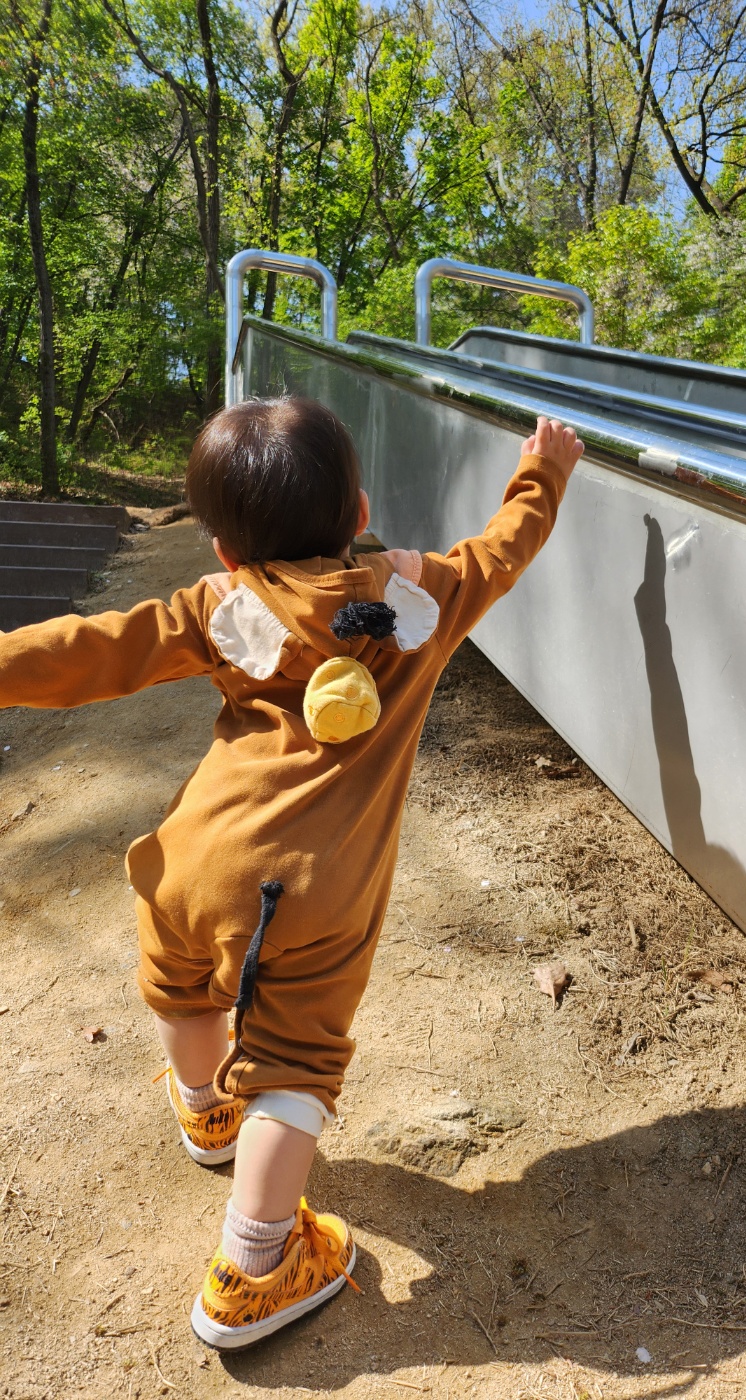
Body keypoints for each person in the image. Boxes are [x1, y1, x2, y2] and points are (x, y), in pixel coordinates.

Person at [0, 398, 583, 1350]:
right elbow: (505, 545)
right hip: (304, 899)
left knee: (183, 983)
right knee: (295, 1071)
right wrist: (543, 470)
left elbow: (92, 650)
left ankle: (204, 1111)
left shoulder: (222, 607)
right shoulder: (424, 599)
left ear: (225, 551)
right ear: (358, 509)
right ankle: (256, 1268)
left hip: (188, 858)